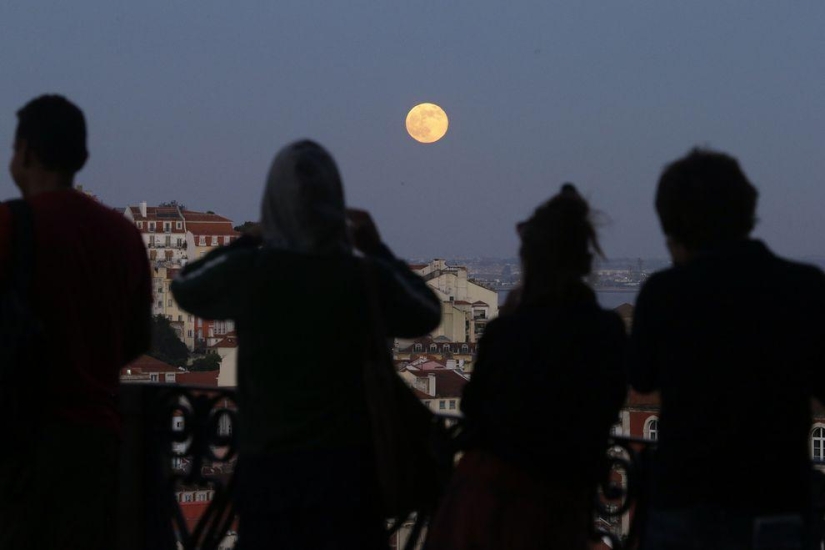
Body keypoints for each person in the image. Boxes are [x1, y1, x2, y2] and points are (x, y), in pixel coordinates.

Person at [171, 139, 441, 550]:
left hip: (271, 479)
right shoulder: (360, 275)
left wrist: (249, 239)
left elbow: (185, 286)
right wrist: (376, 248)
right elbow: (426, 311)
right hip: (349, 481)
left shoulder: (255, 272)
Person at [629, 148, 825, 550]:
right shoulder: (804, 287)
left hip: (684, 499)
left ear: (674, 227)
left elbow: (641, 376)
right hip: (776, 501)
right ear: (747, 211)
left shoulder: (664, 294)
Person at [425, 184, 627, 550]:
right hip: (563, 506)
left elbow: (474, 407)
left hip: (494, 505)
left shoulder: (510, 331)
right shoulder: (606, 332)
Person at [0, 95, 152, 549]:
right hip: (97, 448)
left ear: (24, 151)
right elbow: (138, 338)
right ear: (81, 158)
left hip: (21, 444)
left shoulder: (10, 226)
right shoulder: (124, 237)